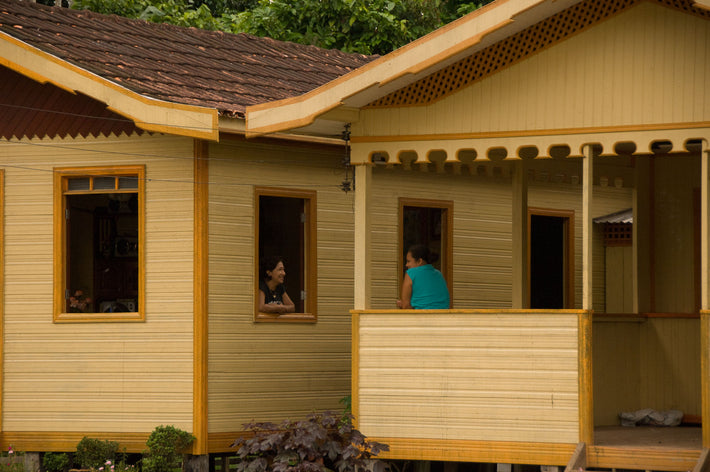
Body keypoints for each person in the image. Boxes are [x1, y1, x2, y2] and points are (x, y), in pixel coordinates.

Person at [397, 244, 450, 309]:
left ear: (419, 261)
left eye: (408, 261)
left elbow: (406, 306)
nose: (406, 265)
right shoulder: (439, 274)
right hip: (444, 316)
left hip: (422, 317)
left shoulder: (411, 273)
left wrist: (402, 305)